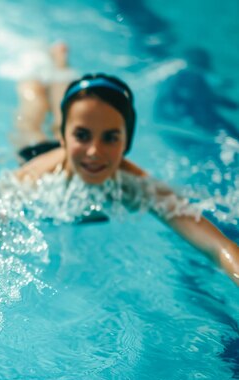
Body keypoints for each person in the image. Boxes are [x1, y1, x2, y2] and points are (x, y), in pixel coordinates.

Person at [14, 66, 239, 286]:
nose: (94, 151)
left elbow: (218, 247)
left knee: (69, 118)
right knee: (33, 119)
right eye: (82, 135)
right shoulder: (32, 177)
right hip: (40, 152)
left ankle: (61, 70)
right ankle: (37, 75)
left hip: (71, 149)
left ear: (126, 143)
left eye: (110, 138)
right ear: (65, 139)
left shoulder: (142, 186)